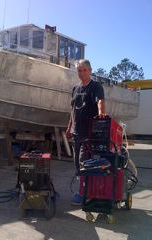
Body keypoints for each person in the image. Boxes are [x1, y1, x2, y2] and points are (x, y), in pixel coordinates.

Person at [66, 59, 106, 205]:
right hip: (76, 132)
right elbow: (73, 110)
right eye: (79, 70)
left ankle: (84, 194)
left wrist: (101, 114)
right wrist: (69, 127)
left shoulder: (95, 86)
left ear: (90, 71)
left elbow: (100, 101)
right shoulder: (75, 88)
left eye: (84, 70)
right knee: (77, 163)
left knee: (84, 162)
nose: (81, 73)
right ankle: (84, 190)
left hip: (89, 133)